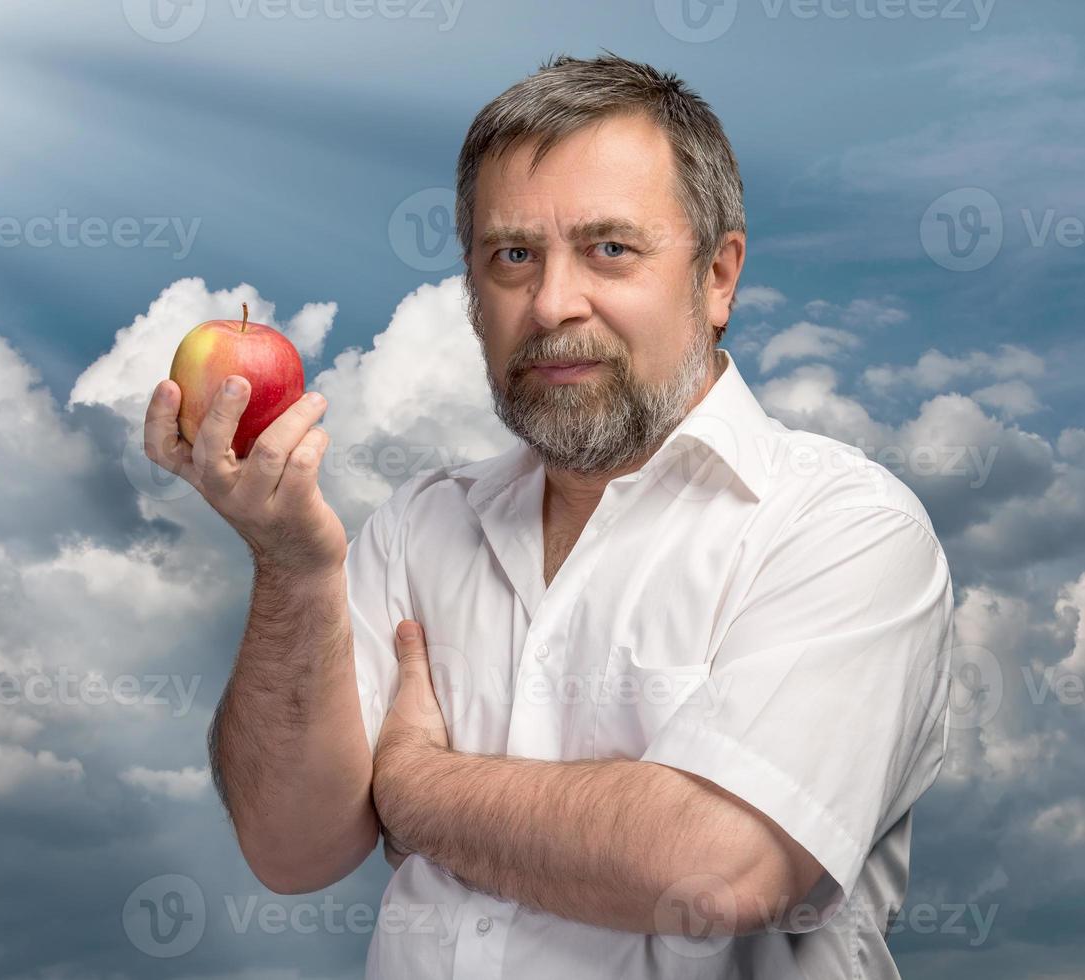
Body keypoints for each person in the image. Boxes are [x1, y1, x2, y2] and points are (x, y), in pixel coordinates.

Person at [145, 51, 954, 980]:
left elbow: (716, 869)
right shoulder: (414, 527)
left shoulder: (842, 528)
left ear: (718, 276)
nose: (551, 303)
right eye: (512, 256)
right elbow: (291, 850)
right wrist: (291, 566)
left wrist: (411, 786)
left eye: (610, 249)